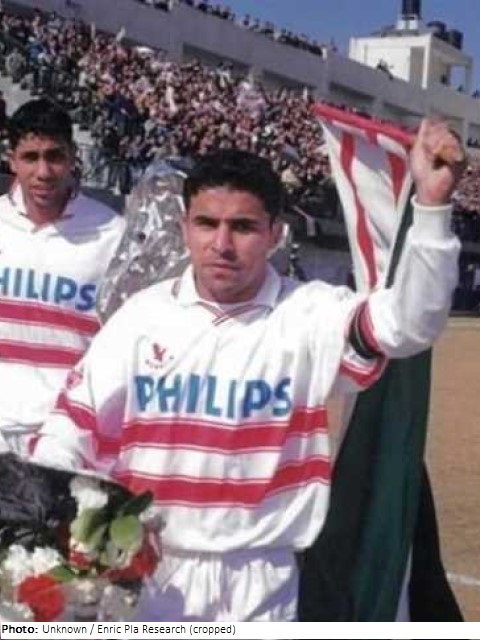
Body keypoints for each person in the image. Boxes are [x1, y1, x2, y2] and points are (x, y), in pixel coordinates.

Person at [31, 118, 464, 621]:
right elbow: (67, 431)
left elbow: (410, 323)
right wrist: (64, 521)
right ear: (185, 226)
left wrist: (432, 208)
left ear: (275, 233)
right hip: (150, 571)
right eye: (206, 223)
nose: (222, 244)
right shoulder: (140, 318)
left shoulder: (309, 314)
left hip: (261, 580)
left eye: (243, 227)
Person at [0, 98, 124, 454]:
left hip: (63, 434)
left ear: (72, 157)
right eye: (30, 157)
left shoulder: (113, 234)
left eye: (54, 156)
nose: (43, 171)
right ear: (12, 160)